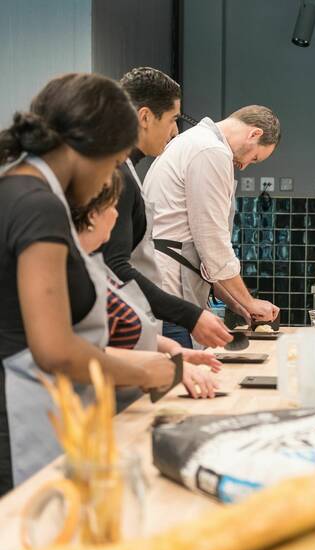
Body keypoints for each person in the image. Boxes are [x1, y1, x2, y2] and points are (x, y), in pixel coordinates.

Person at [0, 74, 174, 494]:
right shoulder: (38, 206)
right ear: (91, 148)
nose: (106, 184)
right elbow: (55, 349)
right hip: (22, 420)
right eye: (114, 165)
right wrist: (142, 369)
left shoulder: (19, 188)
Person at [101, 67, 231, 350]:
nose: (175, 131)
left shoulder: (126, 170)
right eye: (173, 119)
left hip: (136, 320)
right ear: (145, 117)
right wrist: (190, 315)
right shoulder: (117, 176)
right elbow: (115, 267)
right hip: (120, 327)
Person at [71, 172, 221, 404]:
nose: (117, 216)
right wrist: (160, 368)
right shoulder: (68, 272)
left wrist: (171, 349)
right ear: (92, 215)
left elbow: (114, 330)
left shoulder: (95, 265)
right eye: (113, 208)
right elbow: (77, 350)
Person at [144, 105, 280, 348]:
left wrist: (235, 302)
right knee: (182, 379)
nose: (246, 165)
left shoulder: (193, 141)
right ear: (254, 134)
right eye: (255, 157)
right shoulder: (211, 151)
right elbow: (212, 242)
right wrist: (249, 302)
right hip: (172, 290)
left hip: (166, 285)